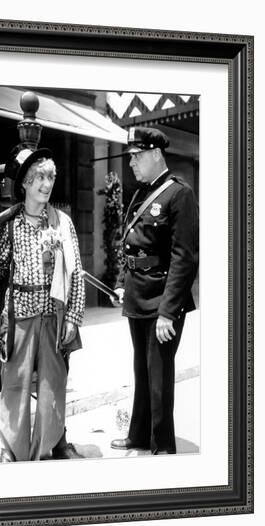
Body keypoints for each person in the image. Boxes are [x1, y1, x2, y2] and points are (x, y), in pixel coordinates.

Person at [0, 147, 85, 462]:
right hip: (19, 316)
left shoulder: (62, 223)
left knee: (53, 386)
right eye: (39, 177)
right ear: (25, 183)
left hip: (53, 316)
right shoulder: (10, 226)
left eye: (50, 177)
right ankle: (10, 449)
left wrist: (73, 317)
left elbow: (76, 272)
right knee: (15, 387)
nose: (46, 184)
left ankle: (54, 442)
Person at [110, 126, 199, 455]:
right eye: (131, 157)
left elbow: (184, 258)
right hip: (137, 296)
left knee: (159, 377)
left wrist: (167, 312)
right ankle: (138, 435)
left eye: (136, 156)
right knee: (142, 371)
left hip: (162, 300)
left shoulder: (180, 194)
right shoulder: (141, 193)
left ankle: (162, 447)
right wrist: (122, 283)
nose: (131, 163)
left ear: (155, 154)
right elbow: (130, 245)